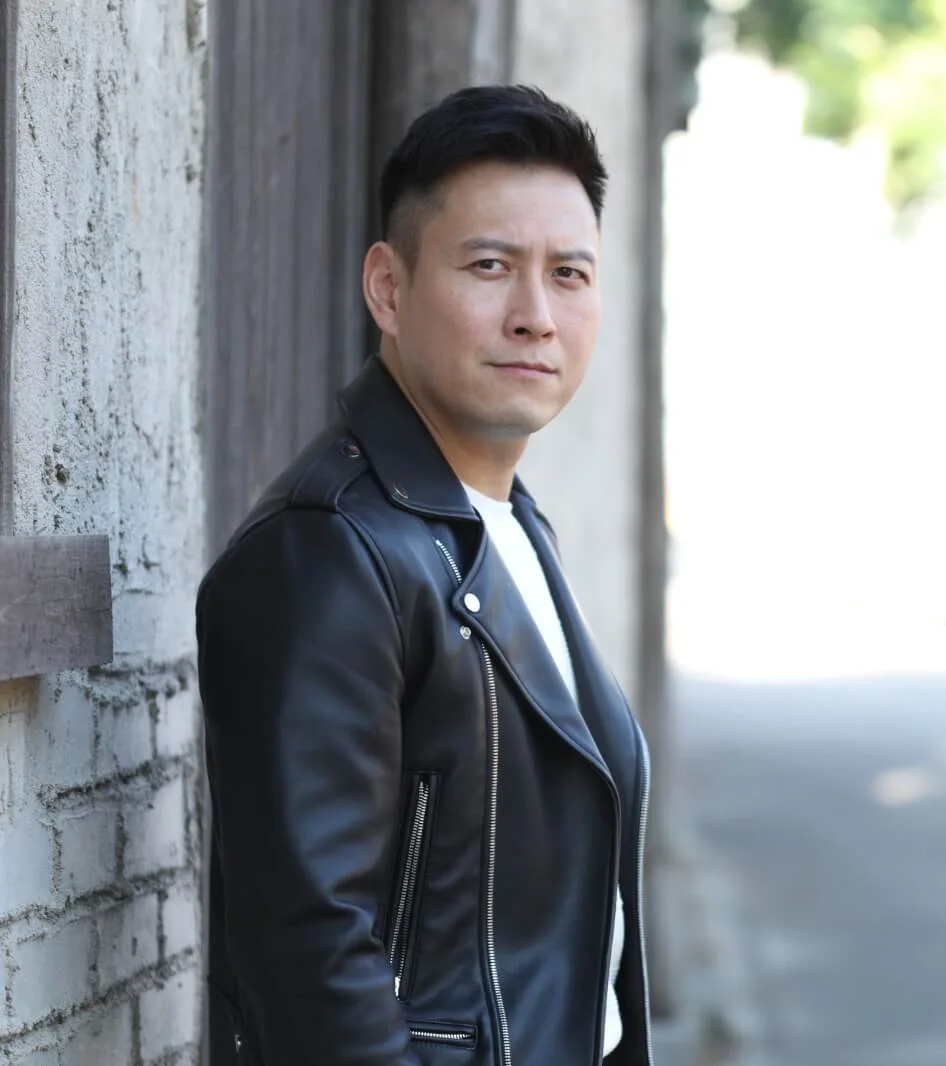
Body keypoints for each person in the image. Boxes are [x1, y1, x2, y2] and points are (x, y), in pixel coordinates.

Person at [196, 84, 652, 1066]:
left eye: (569, 274)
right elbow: (309, 955)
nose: (536, 316)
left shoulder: (510, 523)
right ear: (388, 289)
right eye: (490, 266)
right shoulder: (326, 553)